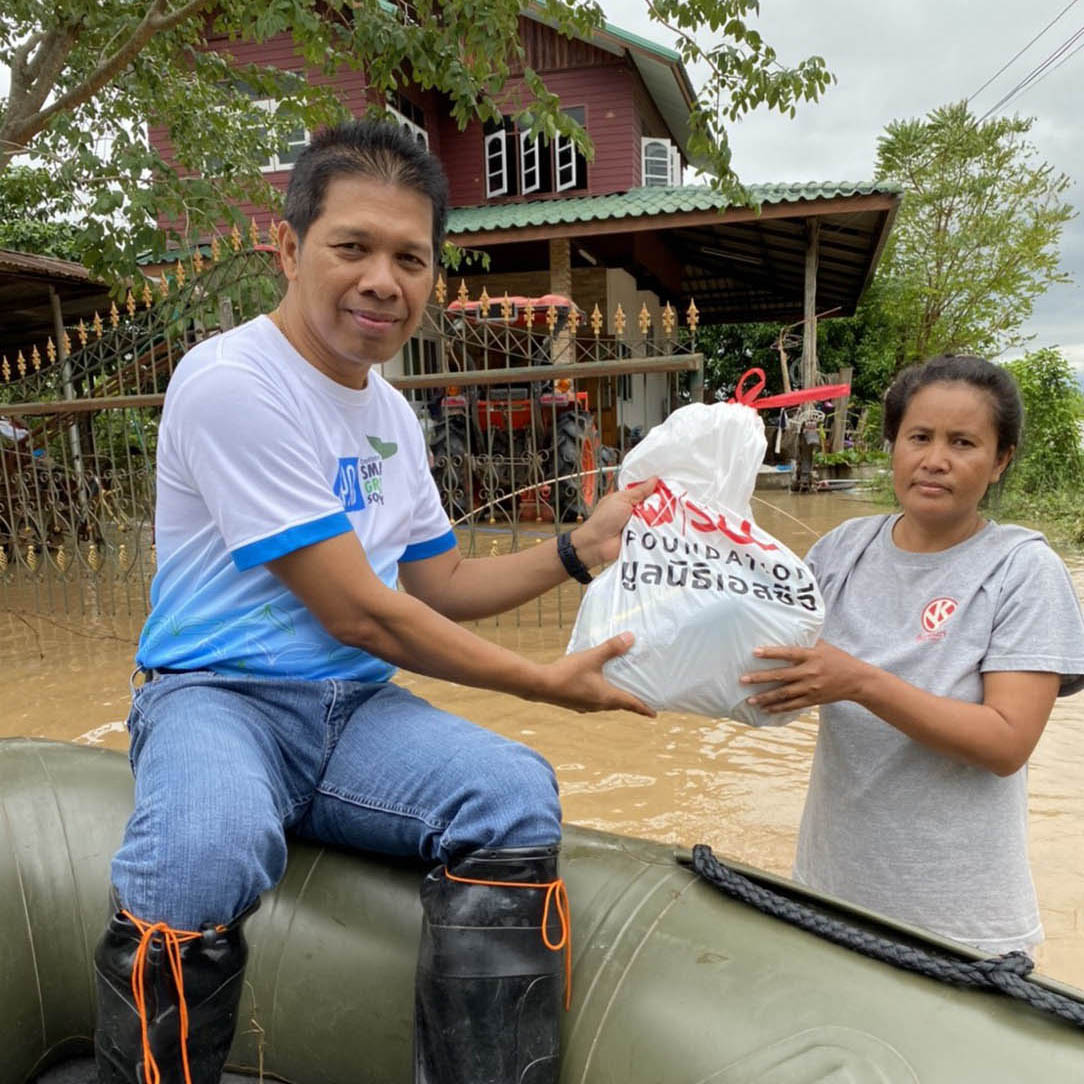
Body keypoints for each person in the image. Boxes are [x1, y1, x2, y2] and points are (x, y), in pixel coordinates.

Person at [92, 120, 655, 1084]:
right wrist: (543, 682)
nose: (382, 281)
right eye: (352, 247)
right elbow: (362, 612)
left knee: (513, 794)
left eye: (410, 257)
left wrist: (576, 549)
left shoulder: (391, 413)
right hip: (215, 698)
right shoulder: (233, 383)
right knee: (203, 852)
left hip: (355, 713)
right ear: (289, 246)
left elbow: (434, 583)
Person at [741, 355, 1084, 955]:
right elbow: (762, 662)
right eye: (919, 437)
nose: (935, 459)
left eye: (964, 442)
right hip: (830, 897)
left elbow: (1006, 743)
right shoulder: (841, 550)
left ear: (1001, 460)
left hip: (959, 926)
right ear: (893, 446)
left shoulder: (1022, 571)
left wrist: (860, 683)